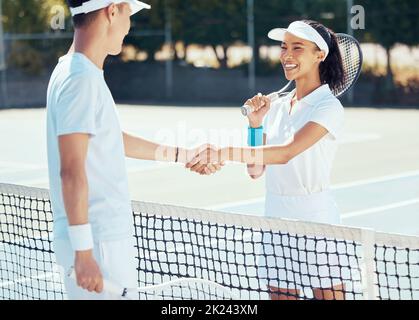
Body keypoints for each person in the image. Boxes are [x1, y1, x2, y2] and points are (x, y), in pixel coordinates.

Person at [47, 0, 221, 300]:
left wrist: (184, 154)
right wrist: (84, 251)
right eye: (128, 14)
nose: (129, 27)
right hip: (99, 243)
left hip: (99, 241)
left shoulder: (76, 72)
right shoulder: (80, 79)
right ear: (111, 11)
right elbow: (71, 170)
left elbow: (111, 138)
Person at [187, 20, 346, 300]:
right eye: (284, 47)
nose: (287, 55)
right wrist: (255, 125)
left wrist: (224, 152)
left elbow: (286, 153)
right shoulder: (277, 107)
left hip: (317, 219)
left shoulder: (328, 107)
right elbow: (255, 169)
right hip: (274, 217)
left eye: (298, 48)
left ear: (319, 54)